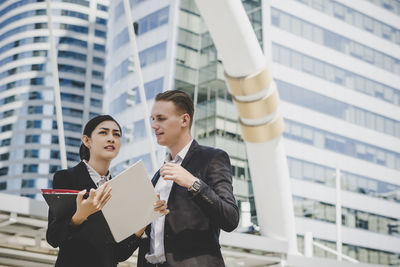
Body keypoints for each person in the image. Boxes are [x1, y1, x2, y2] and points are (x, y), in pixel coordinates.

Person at [46, 115, 169, 267]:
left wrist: (142, 223)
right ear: (87, 140)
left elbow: (119, 253)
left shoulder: (122, 189)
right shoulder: (66, 178)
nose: (111, 138)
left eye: (116, 134)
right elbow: (53, 237)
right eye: (104, 133)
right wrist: (80, 216)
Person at [138, 90, 240, 266]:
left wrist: (193, 184)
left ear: (184, 120)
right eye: (152, 119)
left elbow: (230, 218)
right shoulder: (158, 175)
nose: (154, 125)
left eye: (161, 118)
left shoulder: (212, 158)